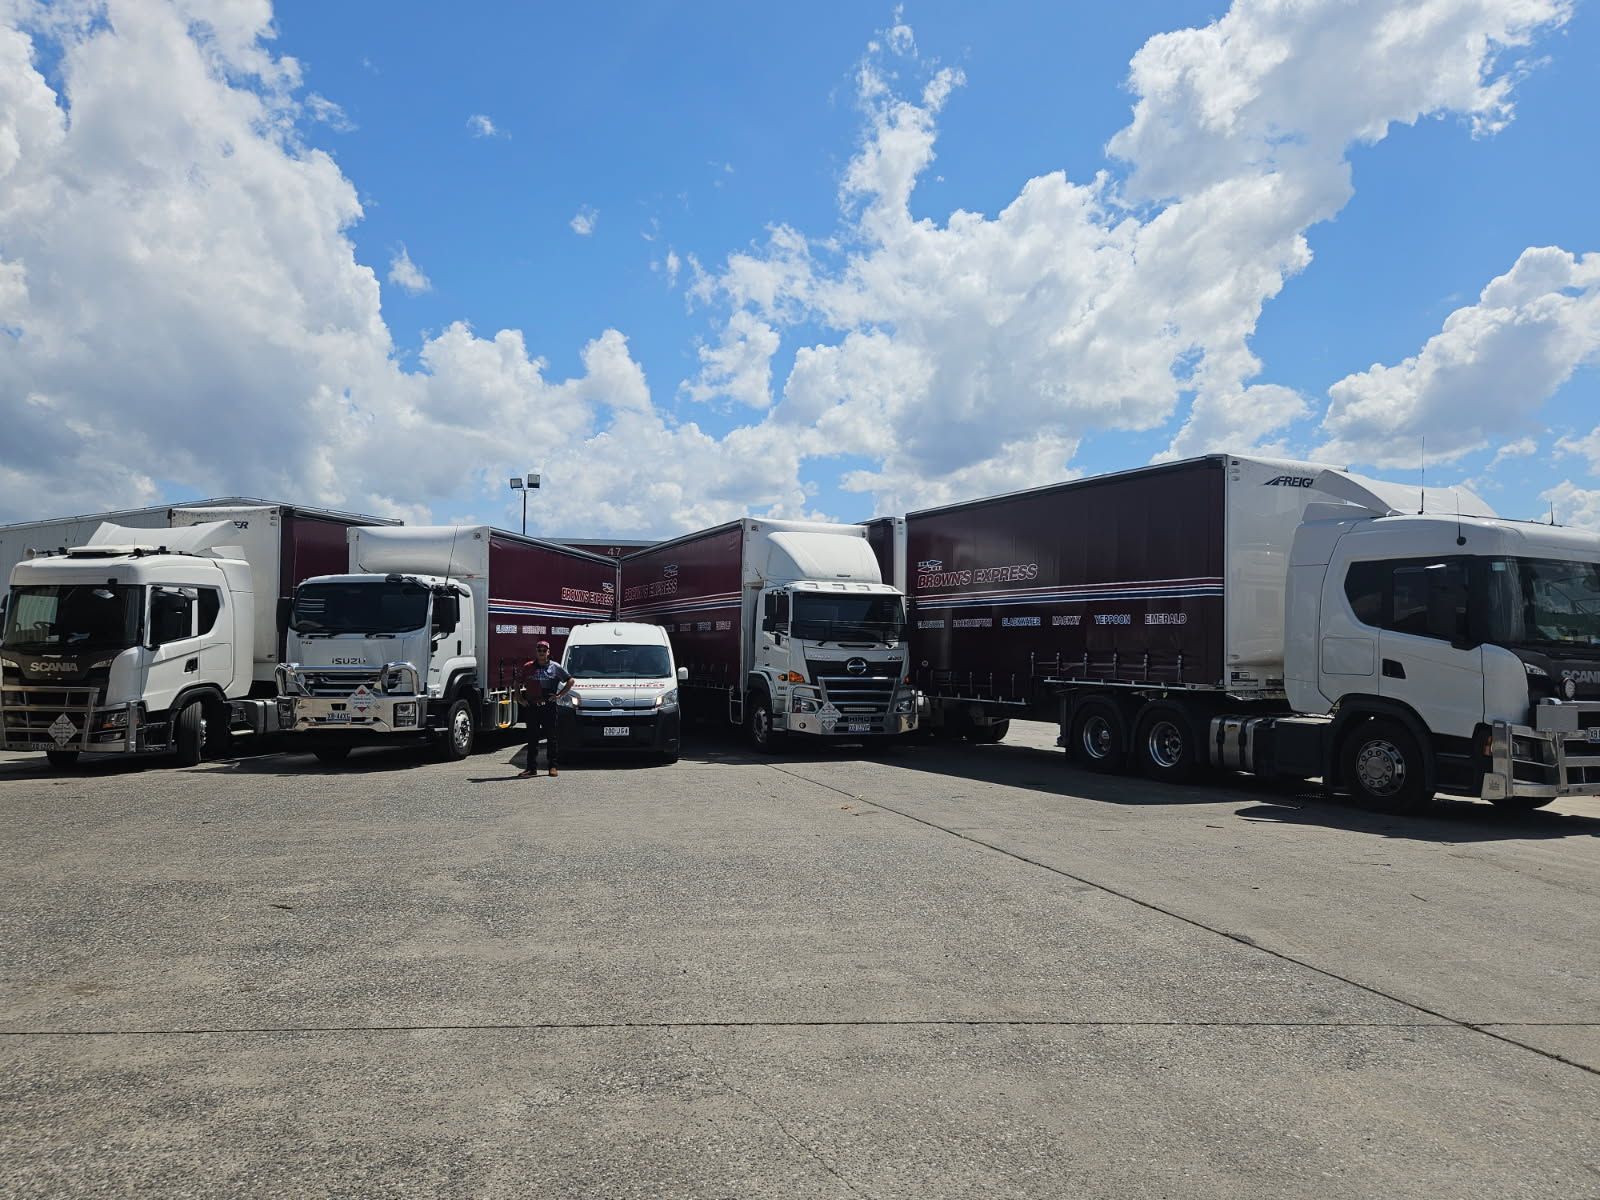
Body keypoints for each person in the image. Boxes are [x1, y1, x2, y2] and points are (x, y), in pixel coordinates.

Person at [518, 641, 573, 778]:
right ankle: (531, 768)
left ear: (548, 652)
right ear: (536, 651)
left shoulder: (555, 667)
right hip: (532, 707)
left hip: (548, 707)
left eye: (544, 650)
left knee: (551, 737)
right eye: (539, 649)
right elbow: (517, 682)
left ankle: (552, 766)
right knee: (532, 738)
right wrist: (520, 699)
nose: (541, 652)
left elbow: (570, 680)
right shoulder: (528, 667)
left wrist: (559, 695)